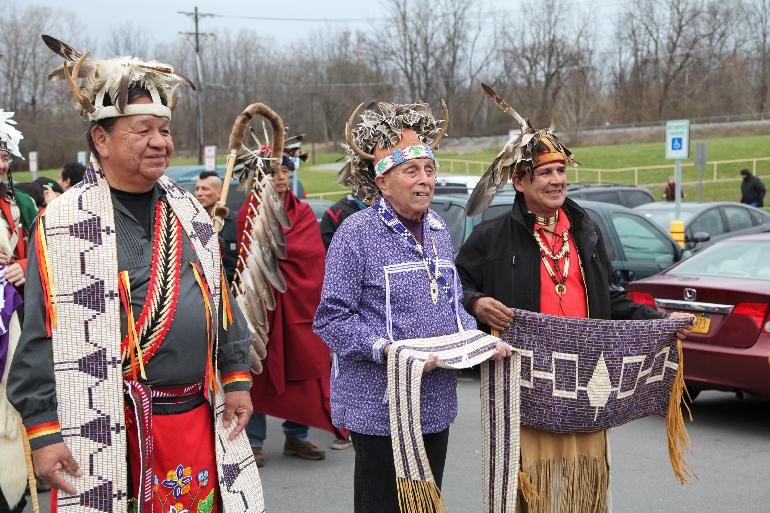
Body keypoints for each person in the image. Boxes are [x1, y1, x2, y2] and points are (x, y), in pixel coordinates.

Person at [7, 36, 264, 513]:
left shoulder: (186, 208)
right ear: (101, 140)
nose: (160, 142)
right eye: (143, 129)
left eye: (164, 130)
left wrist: (236, 376)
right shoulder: (64, 222)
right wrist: (44, 430)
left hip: (194, 420)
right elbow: (42, 334)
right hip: (108, 427)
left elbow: (219, 299)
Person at [456, 86, 692, 513]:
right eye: (545, 172)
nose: (557, 180)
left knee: (585, 491)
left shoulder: (587, 230)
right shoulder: (492, 234)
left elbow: (611, 300)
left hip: (587, 385)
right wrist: (475, 302)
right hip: (525, 389)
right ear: (519, 180)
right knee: (530, 491)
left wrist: (659, 320)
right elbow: (455, 286)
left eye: (561, 170)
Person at [313, 101, 510, 513]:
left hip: (435, 403)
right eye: (411, 171)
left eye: (429, 170)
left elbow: (452, 304)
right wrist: (389, 350)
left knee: (424, 506)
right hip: (378, 407)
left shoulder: (439, 228)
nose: (425, 181)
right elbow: (331, 318)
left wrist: (479, 342)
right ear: (383, 181)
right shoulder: (356, 233)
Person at [235, 145, 344, 466]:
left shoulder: (303, 212)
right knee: (257, 372)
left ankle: (297, 437)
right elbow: (249, 264)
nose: (280, 178)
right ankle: (253, 441)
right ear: (259, 176)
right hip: (261, 310)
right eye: (272, 172)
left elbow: (312, 259)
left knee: (305, 369)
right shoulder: (248, 213)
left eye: (284, 171)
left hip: (300, 306)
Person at [0, 111, 28, 513]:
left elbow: (46, 256)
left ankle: (15, 489)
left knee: (14, 398)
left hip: (18, 317)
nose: (2, 163)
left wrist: (29, 268)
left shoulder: (21, 203)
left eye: (5, 155)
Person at [195, 170, 238, 281]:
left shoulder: (237, 222)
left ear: (220, 193)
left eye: (205, 189)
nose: (199, 193)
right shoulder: (194, 223)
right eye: (197, 188)